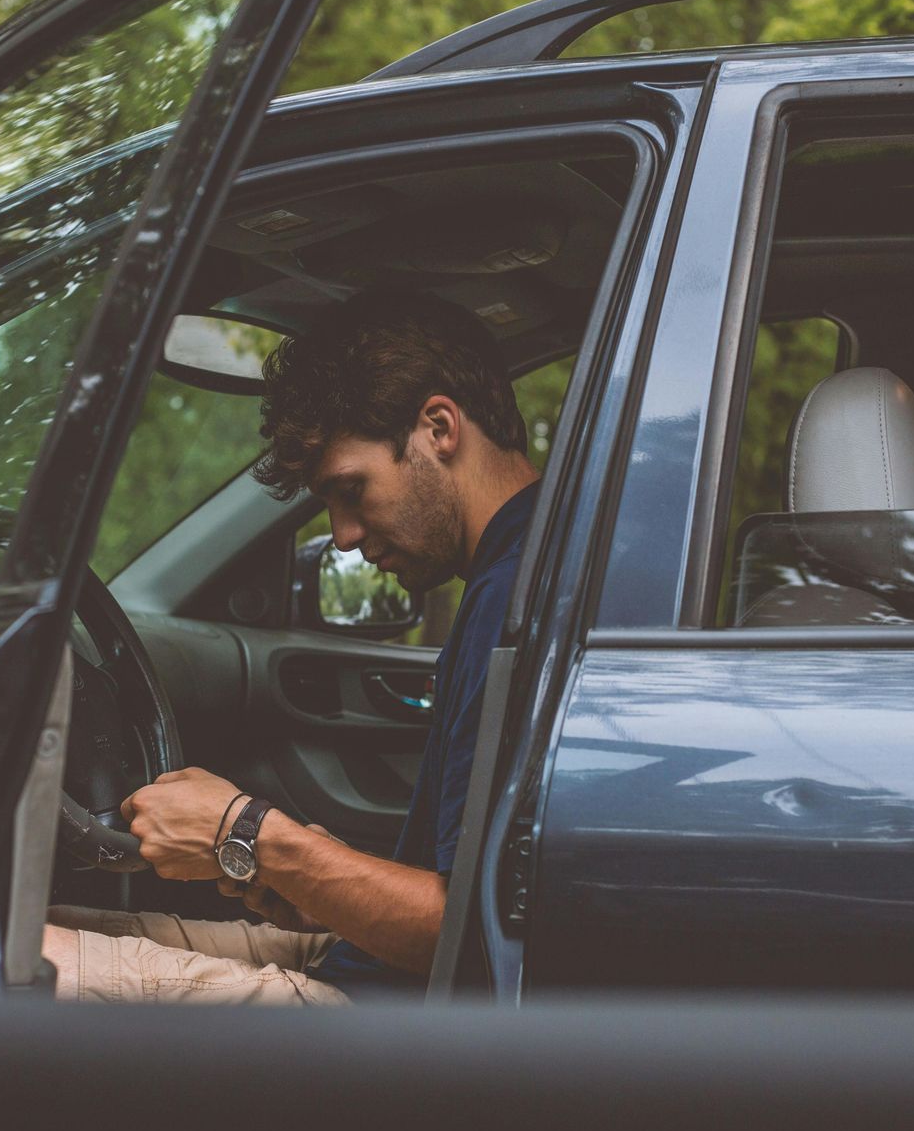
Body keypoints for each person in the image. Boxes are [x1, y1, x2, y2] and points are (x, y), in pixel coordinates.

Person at [41, 291, 540, 1004]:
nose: (339, 535)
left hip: (417, 1024)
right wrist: (309, 883)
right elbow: (456, 894)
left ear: (438, 428)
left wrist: (245, 832)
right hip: (378, 966)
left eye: (349, 490)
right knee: (27, 925)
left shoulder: (518, 599)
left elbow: (472, 939)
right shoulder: (524, 570)